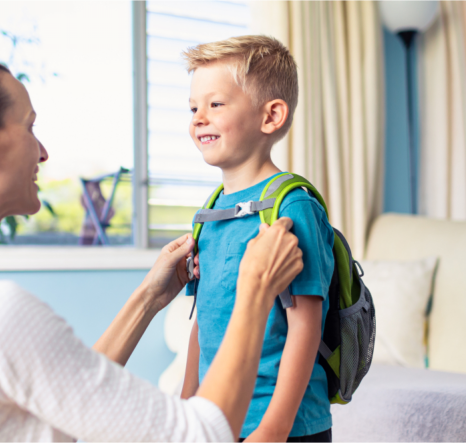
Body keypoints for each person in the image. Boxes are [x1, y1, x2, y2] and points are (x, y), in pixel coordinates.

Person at [0, 52, 304, 443]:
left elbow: (60, 401)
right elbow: (201, 434)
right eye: (28, 126)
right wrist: (255, 287)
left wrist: (149, 299)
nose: (43, 151)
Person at [179, 36, 335, 443]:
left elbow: (306, 326)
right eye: (193, 107)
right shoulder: (211, 211)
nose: (198, 118)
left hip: (284, 427)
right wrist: (185, 404)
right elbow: (204, 318)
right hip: (219, 417)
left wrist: (274, 428)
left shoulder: (291, 206)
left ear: (271, 116)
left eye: (215, 104)